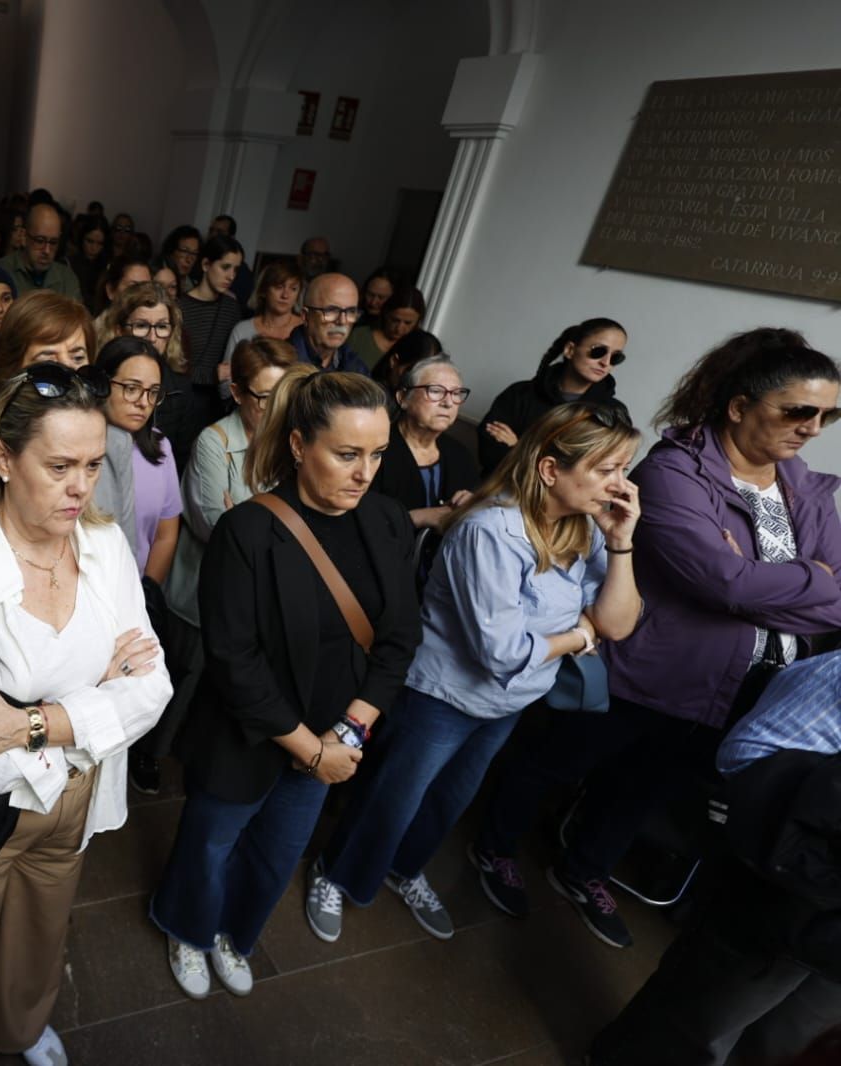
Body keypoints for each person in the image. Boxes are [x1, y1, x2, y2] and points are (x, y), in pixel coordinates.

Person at [472, 328, 841, 948]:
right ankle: (494, 846)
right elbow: (726, 585)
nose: (813, 426)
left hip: (739, 689)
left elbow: (786, 589)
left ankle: (581, 869)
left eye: (829, 414)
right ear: (739, 405)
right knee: (556, 763)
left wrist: (772, 583)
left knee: (641, 791)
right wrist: (811, 578)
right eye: (798, 410)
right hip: (646, 670)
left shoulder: (802, 485)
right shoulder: (676, 473)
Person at [0, 366, 173, 1066]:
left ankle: (16, 1031)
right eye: (57, 466)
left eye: (90, 464)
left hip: (77, 797)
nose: (79, 487)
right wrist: (96, 698)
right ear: (2, 458)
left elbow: (154, 688)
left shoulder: (104, 545)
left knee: (40, 935)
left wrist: (31, 720)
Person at [308, 403, 642, 944]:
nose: (619, 486)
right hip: (443, 695)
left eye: (624, 469)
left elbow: (619, 623)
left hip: (509, 703)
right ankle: (337, 875)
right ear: (551, 470)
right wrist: (578, 635)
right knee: (395, 799)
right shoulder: (491, 530)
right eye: (606, 470)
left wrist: (623, 541)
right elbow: (503, 653)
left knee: (449, 799)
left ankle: (403, 869)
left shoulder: (589, 527)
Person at [150, 369, 420, 1000]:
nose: (365, 472)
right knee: (210, 845)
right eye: (347, 454)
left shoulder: (385, 522)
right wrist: (311, 748)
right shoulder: (249, 530)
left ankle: (233, 936)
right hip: (252, 734)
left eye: (378, 455)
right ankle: (186, 928)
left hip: (334, 738)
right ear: (299, 446)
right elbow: (234, 660)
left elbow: (399, 638)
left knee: (275, 856)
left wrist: (348, 730)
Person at [590, 650, 841, 1066]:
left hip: (828, 949)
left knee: (785, 1045)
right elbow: (746, 755)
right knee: (695, 1027)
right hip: (787, 898)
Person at [145, 337, 299, 795]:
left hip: (251, 598)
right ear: (236, 393)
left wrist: (246, 516)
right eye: (265, 398)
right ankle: (148, 757)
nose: (275, 409)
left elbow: (273, 526)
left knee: (217, 687)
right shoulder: (214, 442)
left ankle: (186, 756)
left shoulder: (289, 446)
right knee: (180, 679)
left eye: (283, 397)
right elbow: (215, 524)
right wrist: (266, 525)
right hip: (197, 593)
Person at [0, 290, 136, 551]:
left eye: (78, 357)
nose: (67, 370)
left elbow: (126, 552)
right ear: (13, 370)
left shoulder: (116, 445)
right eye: (48, 359)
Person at [477, 317, 630, 477]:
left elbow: (590, 477)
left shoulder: (613, 414)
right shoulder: (520, 394)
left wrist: (518, 448)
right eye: (598, 351)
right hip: (499, 491)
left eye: (616, 357)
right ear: (570, 350)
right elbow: (490, 456)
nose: (605, 362)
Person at [98, 337, 182, 583]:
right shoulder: (79, 449)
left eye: (153, 392)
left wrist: (147, 592)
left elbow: (165, 536)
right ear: (103, 384)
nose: (144, 403)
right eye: (131, 388)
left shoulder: (161, 447)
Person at [100, 281, 201, 472]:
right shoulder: (101, 377)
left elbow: (179, 462)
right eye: (141, 325)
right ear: (120, 329)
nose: (152, 337)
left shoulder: (181, 389)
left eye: (162, 327)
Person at [370, 356, 476, 532]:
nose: (448, 403)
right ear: (403, 397)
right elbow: (361, 520)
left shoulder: (460, 454)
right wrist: (417, 517)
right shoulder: (376, 449)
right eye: (435, 391)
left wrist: (474, 503)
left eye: (456, 393)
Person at [178, 235, 245, 428]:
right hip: (182, 402)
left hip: (217, 407)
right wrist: (212, 375)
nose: (231, 276)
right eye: (225, 267)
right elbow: (171, 366)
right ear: (206, 264)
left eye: (236, 269)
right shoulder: (180, 308)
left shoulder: (232, 308)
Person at [222, 259, 304, 366]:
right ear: (264, 290)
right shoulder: (242, 330)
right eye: (279, 287)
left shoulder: (305, 329)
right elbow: (227, 377)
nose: (285, 295)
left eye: (293, 289)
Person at [286, 272, 371, 375]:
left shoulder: (357, 370)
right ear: (305, 316)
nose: (342, 321)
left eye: (351, 312)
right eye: (331, 310)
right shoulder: (279, 364)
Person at [0, 202, 84, 301]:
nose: (47, 250)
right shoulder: (0, 272)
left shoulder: (66, 278)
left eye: (53, 242)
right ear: (24, 237)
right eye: (40, 241)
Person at [346, 284, 426, 370]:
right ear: (386, 313)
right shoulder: (359, 336)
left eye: (408, 323)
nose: (399, 328)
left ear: (417, 321)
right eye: (395, 320)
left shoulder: (419, 349)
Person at [208, 214, 254, 307]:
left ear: (231, 237)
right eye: (211, 230)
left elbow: (243, 304)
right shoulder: (202, 256)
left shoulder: (242, 271)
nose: (213, 235)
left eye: (220, 232)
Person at [92, 255, 152, 320]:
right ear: (110, 291)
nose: (141, 294)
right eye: (133, 287)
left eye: (146, 287)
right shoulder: (96, 329)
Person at [70, 215, 110, 309]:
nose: (94, 248)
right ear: (81, 238)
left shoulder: (108, 267)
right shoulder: (69, 264)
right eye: (90, 241)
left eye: (99, 243)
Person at [160, 226, 202, 293]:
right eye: (184, 251)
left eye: (194, 253)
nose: (188, 259)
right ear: (172, 250)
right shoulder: (155, 275)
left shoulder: (194, 286)